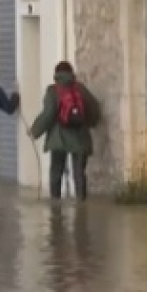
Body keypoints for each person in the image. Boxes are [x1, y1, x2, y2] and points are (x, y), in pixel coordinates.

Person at [30, 61, 100, 199]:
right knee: (79, 173)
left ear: (56, 74)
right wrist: (90, 123)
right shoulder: (80, 89)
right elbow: (94, 107)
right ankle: (81, 203)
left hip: (59, 138)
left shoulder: (53, 90)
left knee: (56, 171)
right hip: (80, 137)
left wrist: (34, 131)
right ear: (71, 72)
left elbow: (49, 113)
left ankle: (55, 203)